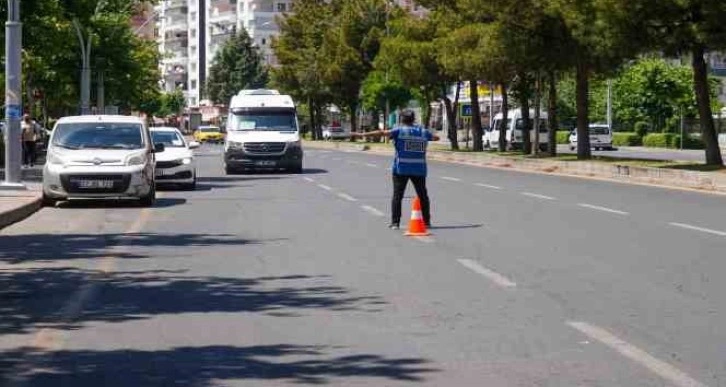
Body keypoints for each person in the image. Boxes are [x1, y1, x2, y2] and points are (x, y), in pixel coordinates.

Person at [351, 109, 440, 229]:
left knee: (398, 196)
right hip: (419, 170)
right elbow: (436, 138)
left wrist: (362, 135)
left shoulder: (399, 131)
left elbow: (381, 133)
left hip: (401, 169)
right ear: (413, 119)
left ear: (402, 120)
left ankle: (395, 223)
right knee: (423, 196)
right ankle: (427, 222)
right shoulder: (423, 132)